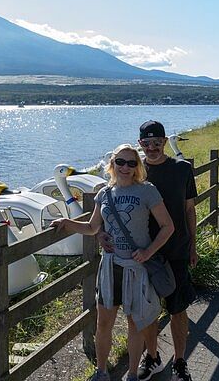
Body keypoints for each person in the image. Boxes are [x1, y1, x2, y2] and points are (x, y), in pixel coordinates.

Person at [51, 144, 175, 381]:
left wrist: (148, 252)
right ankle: (102, 371)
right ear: (112, 164)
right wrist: (67, 222)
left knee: (134, 323)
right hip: (110, 268)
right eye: (120, 162)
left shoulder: (147, 191)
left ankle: (131, 374)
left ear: (138, 167)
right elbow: (92, 227)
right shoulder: (104, 193)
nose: (125, 167)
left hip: (136, 268)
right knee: (104, 322)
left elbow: (168, 226)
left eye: (131, 163)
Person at [98, 120, 198, 381]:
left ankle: (179, 361)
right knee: (148, 312)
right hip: (139, 256)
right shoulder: (134, 171)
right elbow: (109, 211)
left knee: (177, 309)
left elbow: (189, 210)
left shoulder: (182, 169)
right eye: (147, 143)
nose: (152, 147)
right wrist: (100, 233)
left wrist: (193, 246)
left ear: (165, 142)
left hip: (174, 251)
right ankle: (152, 357)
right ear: (140, 144)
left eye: (157, 142)